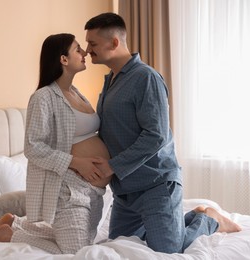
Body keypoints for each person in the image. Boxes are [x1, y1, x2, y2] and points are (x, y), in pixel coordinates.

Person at [84, 12, 241, 254]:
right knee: (120, 247)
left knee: (169, 248)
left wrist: (112, 166)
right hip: (125, 192)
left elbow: (155, 136)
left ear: (114, 43)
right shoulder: (110, 81)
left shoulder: (145, 78)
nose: (87, 50)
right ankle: (179, 220)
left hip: (155, 184)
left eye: (92, 44)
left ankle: (210, 219)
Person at [0, 33, 112, 254]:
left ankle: (14, 222)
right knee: (77, 252)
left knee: (83, 243)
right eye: (78, 49)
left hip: (93, 191)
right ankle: (11, 234)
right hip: (69, 189)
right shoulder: (43, 97)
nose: (85, 52)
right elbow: (33, 147)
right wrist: (77, 163)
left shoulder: (77, 93)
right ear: (63, 59)